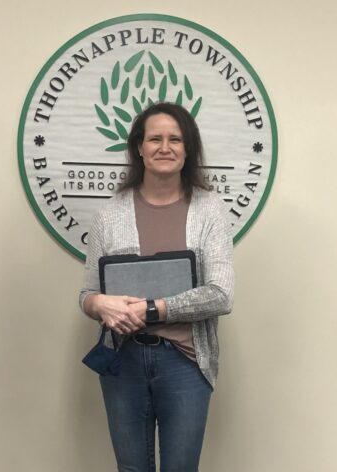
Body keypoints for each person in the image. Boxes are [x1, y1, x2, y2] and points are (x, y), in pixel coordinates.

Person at [79, 102, 234, 471]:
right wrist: (100, 305)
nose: (165, 147)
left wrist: (152, 309)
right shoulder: (109, 214)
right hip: (124, 362)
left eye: (175, 139)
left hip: (185, 361)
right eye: (155, 139)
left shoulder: (210, 210)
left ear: (188, 148)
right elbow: (86, 294)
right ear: (139, 148)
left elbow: (221, 293)